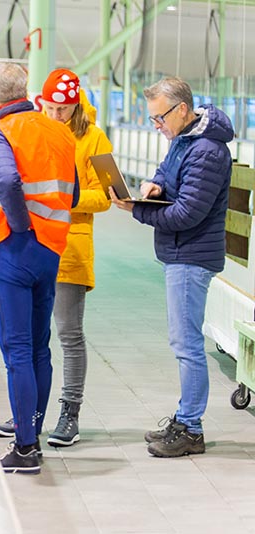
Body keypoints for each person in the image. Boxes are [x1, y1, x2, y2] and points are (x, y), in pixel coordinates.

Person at [109, 76, 233, 458]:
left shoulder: (208, 151)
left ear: (182, 109)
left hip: (191, 256)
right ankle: (184, 418)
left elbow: (188, 214)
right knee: (183, 341)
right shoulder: (184, 139)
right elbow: (167, 172)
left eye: (159, 118)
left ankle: (191, 429)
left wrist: (137, 210)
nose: (156, 126)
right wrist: (154, 186)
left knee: (187, 344)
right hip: (180, 253)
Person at [0, 69, 111, 448]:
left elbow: (107, 195)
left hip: (72, 248)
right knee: (29, 339)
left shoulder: (96, 138)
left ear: (76, 105)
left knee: (69, 335)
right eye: (51, 108)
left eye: (64, 109)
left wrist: (62, 200)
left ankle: (69, 412)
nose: (57, 115)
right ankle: (29, 415)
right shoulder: (36, 129)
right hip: (36, 246)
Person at [0, 62, 78, 474]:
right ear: (26, 91)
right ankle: (31, 432)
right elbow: (71, 193)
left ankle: (24, 448)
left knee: (16, 351)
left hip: (14, 250)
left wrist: (19, 226)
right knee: (39, 348)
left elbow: (6, 181)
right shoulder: (59, 132)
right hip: (51, 251)